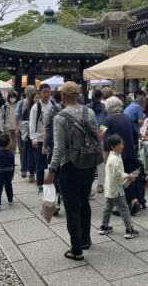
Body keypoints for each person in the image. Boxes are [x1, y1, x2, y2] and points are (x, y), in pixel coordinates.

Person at [44, 81, 99, 261]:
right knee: (85, 202)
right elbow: (96, 135)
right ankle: (85, 239)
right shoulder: (89, 112)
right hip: (89, 164)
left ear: (62, 96)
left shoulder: (60, 117)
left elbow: (59, 148)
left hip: (70, 166)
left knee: (72, 207)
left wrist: (52, 169)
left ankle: (76, 250)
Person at [103, 96, 140, 214]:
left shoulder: (108, 120)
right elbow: (135, 134)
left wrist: (105, 157)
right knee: (128, 177)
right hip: (130, 152)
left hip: (117, 154)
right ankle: (134, 201)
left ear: (108, 108)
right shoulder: (127, 117)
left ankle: (124, 205)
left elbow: (105, 139)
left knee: (119, 179)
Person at [98, 134, 139, 239]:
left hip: (110, 188)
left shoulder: (111, 156)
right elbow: (117, 174)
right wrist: (128, 176)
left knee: (107, 207)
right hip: (116, 189)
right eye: (120, 144)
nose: (122, 146)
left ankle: (104, 227)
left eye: (122, 144)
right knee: (124, 208)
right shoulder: (115, 159)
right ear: (113, 146)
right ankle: (129, 230)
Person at [30, 83, 53, 192]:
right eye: (44, 92)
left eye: (49, 92)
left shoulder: (53, 105)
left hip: (51, 137)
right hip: (39, 138)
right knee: (40, 162)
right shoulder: (36, 107)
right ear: (40, 93)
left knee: (51, 160)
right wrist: (33, 138)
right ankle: (40, 183)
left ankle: (51, 180)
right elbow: (32, 123)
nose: (47, 94)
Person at [88, 89, 109, 193]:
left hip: (92, 136)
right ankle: (99, 184)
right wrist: (99, 134)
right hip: (97, 136)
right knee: (99, 161)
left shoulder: (88, 108)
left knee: (93, 161)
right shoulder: (102, 109)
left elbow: (105, 123)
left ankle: (94, 183)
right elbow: (105, 123)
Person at [16, 86, 37, 180]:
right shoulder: (22, 103)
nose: (33, 94)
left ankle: (32, 171)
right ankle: (24, 169)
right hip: (25, 132)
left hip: (36, 132)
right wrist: (18, 128)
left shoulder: (38, 105)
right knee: (24, 151)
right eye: (31, 92)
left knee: (33, 152)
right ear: (27, 93)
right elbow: (18, 117)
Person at [0, 133, 15, 212]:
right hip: (8, 172)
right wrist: (12, 174)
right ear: (9, 143)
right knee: (8, 186)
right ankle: (10, 199)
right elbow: (13, 164)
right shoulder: (11, 153)